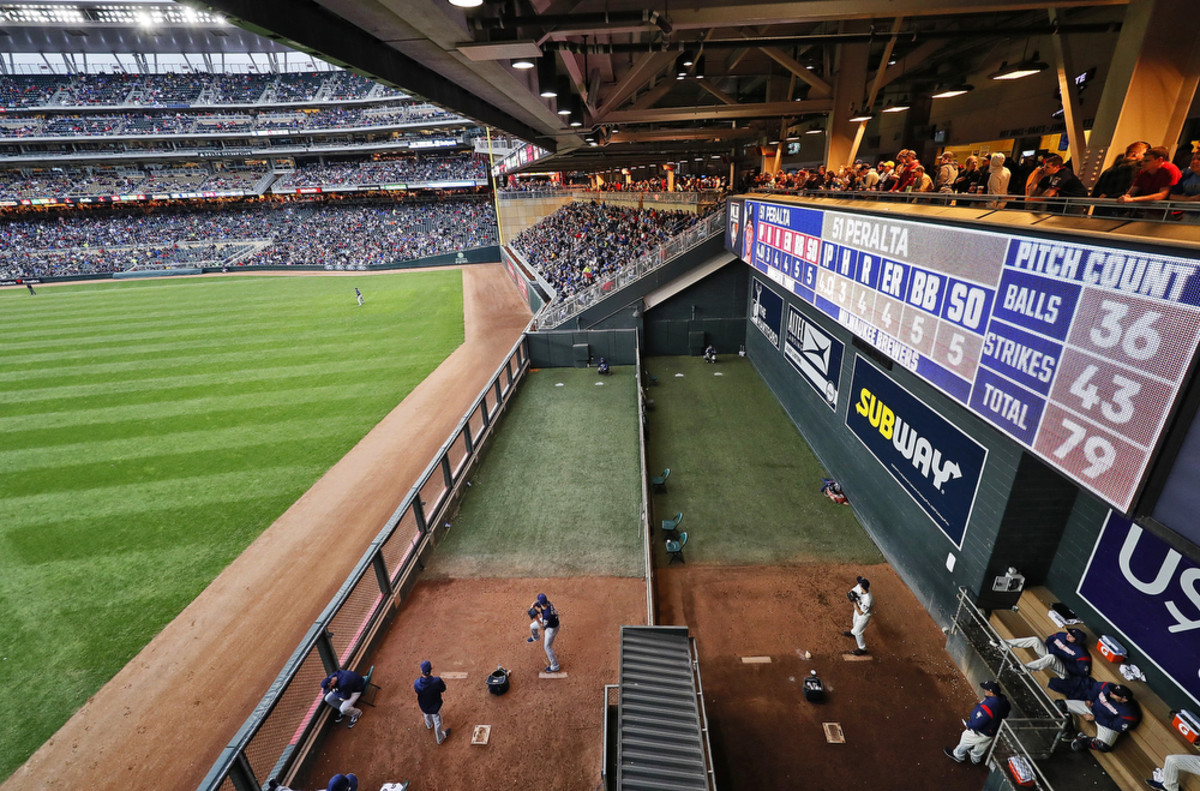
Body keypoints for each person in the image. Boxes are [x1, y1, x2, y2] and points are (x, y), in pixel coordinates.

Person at [1051, 679, 1140, 752]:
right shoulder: (1108, 687)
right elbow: (1094, 688)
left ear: (1124, 699)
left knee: (1103, 746)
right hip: (1092, 709)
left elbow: (1114, 725)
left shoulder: (1129, 713)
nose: (1112, 692)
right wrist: (1090, 699)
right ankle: (1068, 732)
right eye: (1113, 690)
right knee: (1059, 705)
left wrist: (1095, 718)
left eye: (1115, 693)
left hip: (1105, 723)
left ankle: (1083, 739)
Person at [944, 680, 1011, 765]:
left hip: (982, 731)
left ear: (991, 693)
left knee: (965, 738)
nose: (985, 690)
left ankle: (958, 755)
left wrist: (969, 725)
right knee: (982, 745)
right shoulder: (1003, 700)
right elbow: (1005, 714)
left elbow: (978, 723)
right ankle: (976, 759)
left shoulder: (989, 705)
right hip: (993, 730)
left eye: (986, 690)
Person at [1004, 627, 1092, 677]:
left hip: (1062, 670)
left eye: (1071, 636)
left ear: (1077, 640)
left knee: (1052, 657)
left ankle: (1023, 669)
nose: (1068, 635)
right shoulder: (1061, 635)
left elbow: (1082, 672)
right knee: (1035, 640)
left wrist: (1064, 663)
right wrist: (1047, 654)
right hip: (1048, 658)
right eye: (1069, 633)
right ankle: (1005, 644)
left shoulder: (1081, 653)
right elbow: (1049, 639)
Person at [413, 660, 451, 744]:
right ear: (431, 669)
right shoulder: (436, 681)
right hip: (435, 707)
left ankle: (429, 725)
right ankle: (440, 738)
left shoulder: (417, 683)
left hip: (424, 706)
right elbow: (443, 689)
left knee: (426, 714)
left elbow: (417, 691)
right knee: (438, 721)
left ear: (421, 671)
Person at [528, 592, 561, 672]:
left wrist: (536, 618)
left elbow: (543, 627)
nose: (538, 602)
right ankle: (536, 637)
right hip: (547, 621)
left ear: (542, 603)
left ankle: (555, 666)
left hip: (552, 628)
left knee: (547, 647)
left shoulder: (547, 614)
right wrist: (532, 607)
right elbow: (535, 603)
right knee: (532, 626)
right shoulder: (546, 603)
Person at [841, 576, 873, 655]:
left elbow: (860, 613)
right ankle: (853, 632)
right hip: (858, 608)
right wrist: (850, 594)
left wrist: (854, 602)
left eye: (859, 583)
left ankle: (862, 649)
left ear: (862, 586)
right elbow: (851, 591)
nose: (858, 584)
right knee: (854, 622)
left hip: (864, 615)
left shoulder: (868, 599)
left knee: (858, 632)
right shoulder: (859, 587)